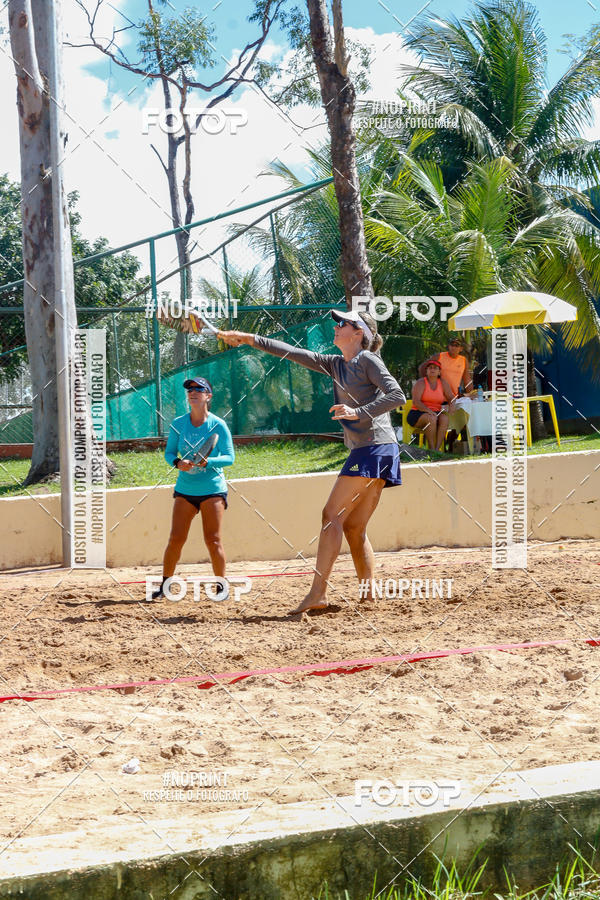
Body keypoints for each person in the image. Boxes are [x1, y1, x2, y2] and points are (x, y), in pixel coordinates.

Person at [218, 309, 405, 613]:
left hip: (374, 448)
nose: (336, 326)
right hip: (378, 449)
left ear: (358, 333)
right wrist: (248, 338)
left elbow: (398, 395)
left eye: (342, 323)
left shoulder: (368, 360)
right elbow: (291, 352)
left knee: (331, 515)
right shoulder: (335, 363)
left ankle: (318, 593)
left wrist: (357, 412)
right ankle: (368, 595)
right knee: (353, 526)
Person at [151, 376, 235, 600]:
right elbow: (169, 453)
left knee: (213, 540)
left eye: (199, 389)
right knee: (175, 539)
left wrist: (209, 462)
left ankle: (221, 588)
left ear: (208, 396)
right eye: (190, 390)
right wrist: (178, 463)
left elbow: (230, 458)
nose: (193, 392)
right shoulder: (178, 424)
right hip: (185, 490)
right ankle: (165, 587)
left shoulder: (218, 425)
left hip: (212, 490)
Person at [407, 359, 455, 450]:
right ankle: (431, 450)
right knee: (432, 418)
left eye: (435, 368)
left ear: (439, 372)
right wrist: (428, 411)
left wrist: (452, 405)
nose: (432, 370)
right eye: (430, 368)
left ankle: (437, 450)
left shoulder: (443, 383)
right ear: (426, 371)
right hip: (417, 413)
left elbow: (451, 397)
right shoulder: (421, 382)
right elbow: (416, 402)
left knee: (445, 418)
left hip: (435, 413)